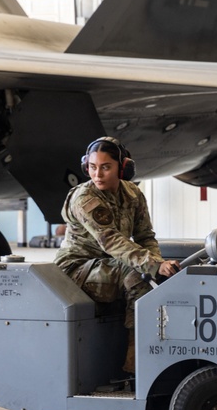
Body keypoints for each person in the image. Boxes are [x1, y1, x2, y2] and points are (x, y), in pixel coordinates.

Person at [55, 137, 180, 376]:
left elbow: (145, 236)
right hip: (76, 269)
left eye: (105, 167)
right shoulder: (85, 198)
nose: (97, 174)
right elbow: (111, 241)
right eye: (92, 167)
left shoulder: (133, 194)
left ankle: (159, 353)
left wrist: (156, 265)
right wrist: (152, 266)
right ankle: (137, 365)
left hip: (111, 264)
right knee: (137, 276)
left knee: (154, 276)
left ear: (122, 167)